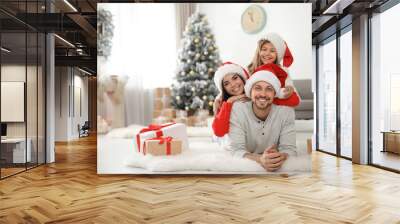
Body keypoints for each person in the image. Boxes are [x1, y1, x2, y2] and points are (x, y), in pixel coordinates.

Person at [226, 65, 298, 172]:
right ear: (250, 93)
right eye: (258, 88)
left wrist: (277, 157)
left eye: (269, 89)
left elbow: (290, 150)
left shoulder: (286, 112)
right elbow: (236, 150)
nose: (263, 94)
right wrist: (260, 159)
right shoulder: (238, 109)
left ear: (275, 94)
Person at [247, 32, 300, 107]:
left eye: (272, 51)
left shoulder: (283, 71)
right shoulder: (250, 70)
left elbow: (295, 99)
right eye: (264, 49)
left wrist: (289, 89)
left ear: (278, 55)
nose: (267, 53)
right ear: (259, 51)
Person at [212, 62, 250, 137]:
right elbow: (219, 132)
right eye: (227, 84)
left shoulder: (257, 96)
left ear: (242, 78)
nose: (233, 84)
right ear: (224, 89)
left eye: (235, 78)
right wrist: (229, 102)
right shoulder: (225, 104)